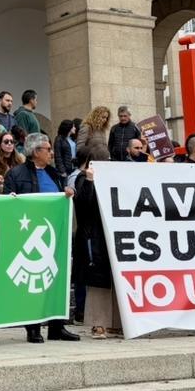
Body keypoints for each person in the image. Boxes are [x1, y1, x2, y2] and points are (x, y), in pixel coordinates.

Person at [3, 133, 79, 342]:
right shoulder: (16, 174)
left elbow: (60, 199)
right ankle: (33, 328)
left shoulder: (55, 173)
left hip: (54, 235)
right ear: (36, 152)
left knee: (56, 281)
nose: (52, 153)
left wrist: (67, 194)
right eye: (48, 149)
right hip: (30, 237)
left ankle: (57, 327)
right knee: (33, 284)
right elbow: (8, 205)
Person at [73, 144, 118, 339]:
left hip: (109, 235)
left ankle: (115, 323)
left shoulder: (112, 177)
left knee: (114, 280)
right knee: (98, 282)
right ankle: (98, 323)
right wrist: (90, 181)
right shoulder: (82, 178)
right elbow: (83, 204)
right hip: (93, 236)